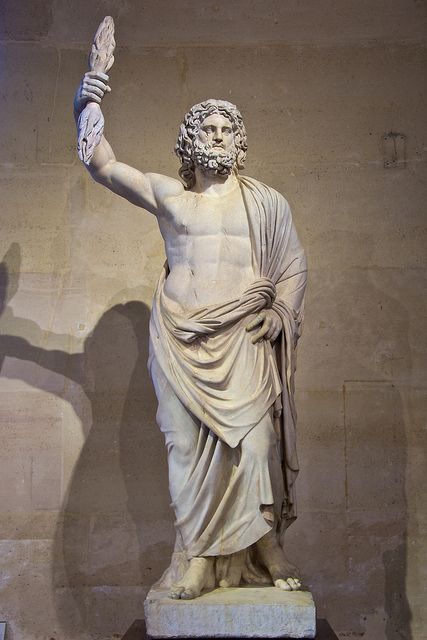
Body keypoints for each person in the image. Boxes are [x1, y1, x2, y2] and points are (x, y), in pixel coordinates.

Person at [74, 71, 307, 600]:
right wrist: (85, 106)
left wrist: (282, 312)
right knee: (182, 447)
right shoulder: (170, 196)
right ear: (190, 140)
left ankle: (268, 547)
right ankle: (199, 556)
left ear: (239, 141)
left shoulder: (267, 204)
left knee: (256, 445)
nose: (219, 136)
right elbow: (103, 166)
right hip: (179, 341)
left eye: (228, 129)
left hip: (243, 340)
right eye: (209, 128)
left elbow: (293, 264)